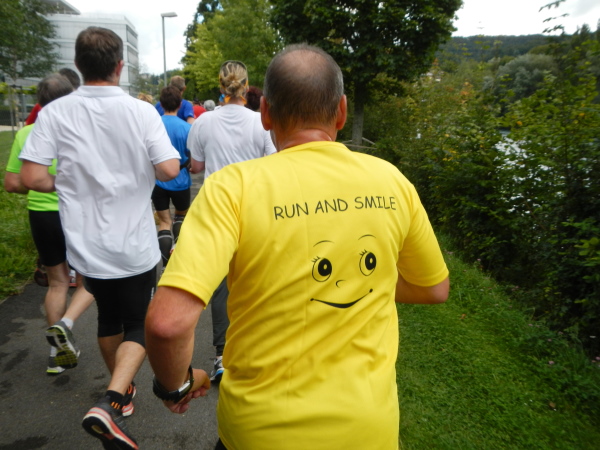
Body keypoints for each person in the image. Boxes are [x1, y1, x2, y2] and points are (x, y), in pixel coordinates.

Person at [145, 44, 449, 449]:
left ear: (266, 112)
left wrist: (177, 385)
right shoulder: (392, 181)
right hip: (368, 431)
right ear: (341, 111)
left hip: (259, 433)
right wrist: (363, 278)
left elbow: (168, 324)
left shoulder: (231, 188)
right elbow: (433, 287)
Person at [20, 26, 180, 450]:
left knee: (109, 318)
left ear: (78, 64)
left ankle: (122, 392)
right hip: (134, 244)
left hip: (86, 246)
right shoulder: (140, 111)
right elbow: (168, 169)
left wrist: (70, 182)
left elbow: (31, 176)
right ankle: (111, 401)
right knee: (139, 323)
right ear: (120, 66)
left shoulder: (54, 113)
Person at [187, 60, 276, 381]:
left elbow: (196, 166)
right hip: (254, 210)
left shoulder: (204, 122)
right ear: (246, 85)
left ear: (221, 86)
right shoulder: (260, 123)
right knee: (256, 279)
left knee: (222, 288)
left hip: (216, 211)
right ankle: (257, 348)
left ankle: (222, 356)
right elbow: (273, 165)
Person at [4, 73, 95, 376]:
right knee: (91, 280)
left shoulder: (26, 133)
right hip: (77, 211)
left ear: (40, 101)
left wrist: (42, 184)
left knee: (57, 282)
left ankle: (57, 354)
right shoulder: (83, 130)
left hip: (41, 214)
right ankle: (65, 325)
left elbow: (12, 184)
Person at [153, 86, 193, 267]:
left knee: (164, 222)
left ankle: (164, 266)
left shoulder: (154, 125)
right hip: (181, 180)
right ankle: (178, 261)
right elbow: (192, 156)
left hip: (158, 180)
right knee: (181, 218)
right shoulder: (187, 128)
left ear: (161, 104)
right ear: (180, 104)